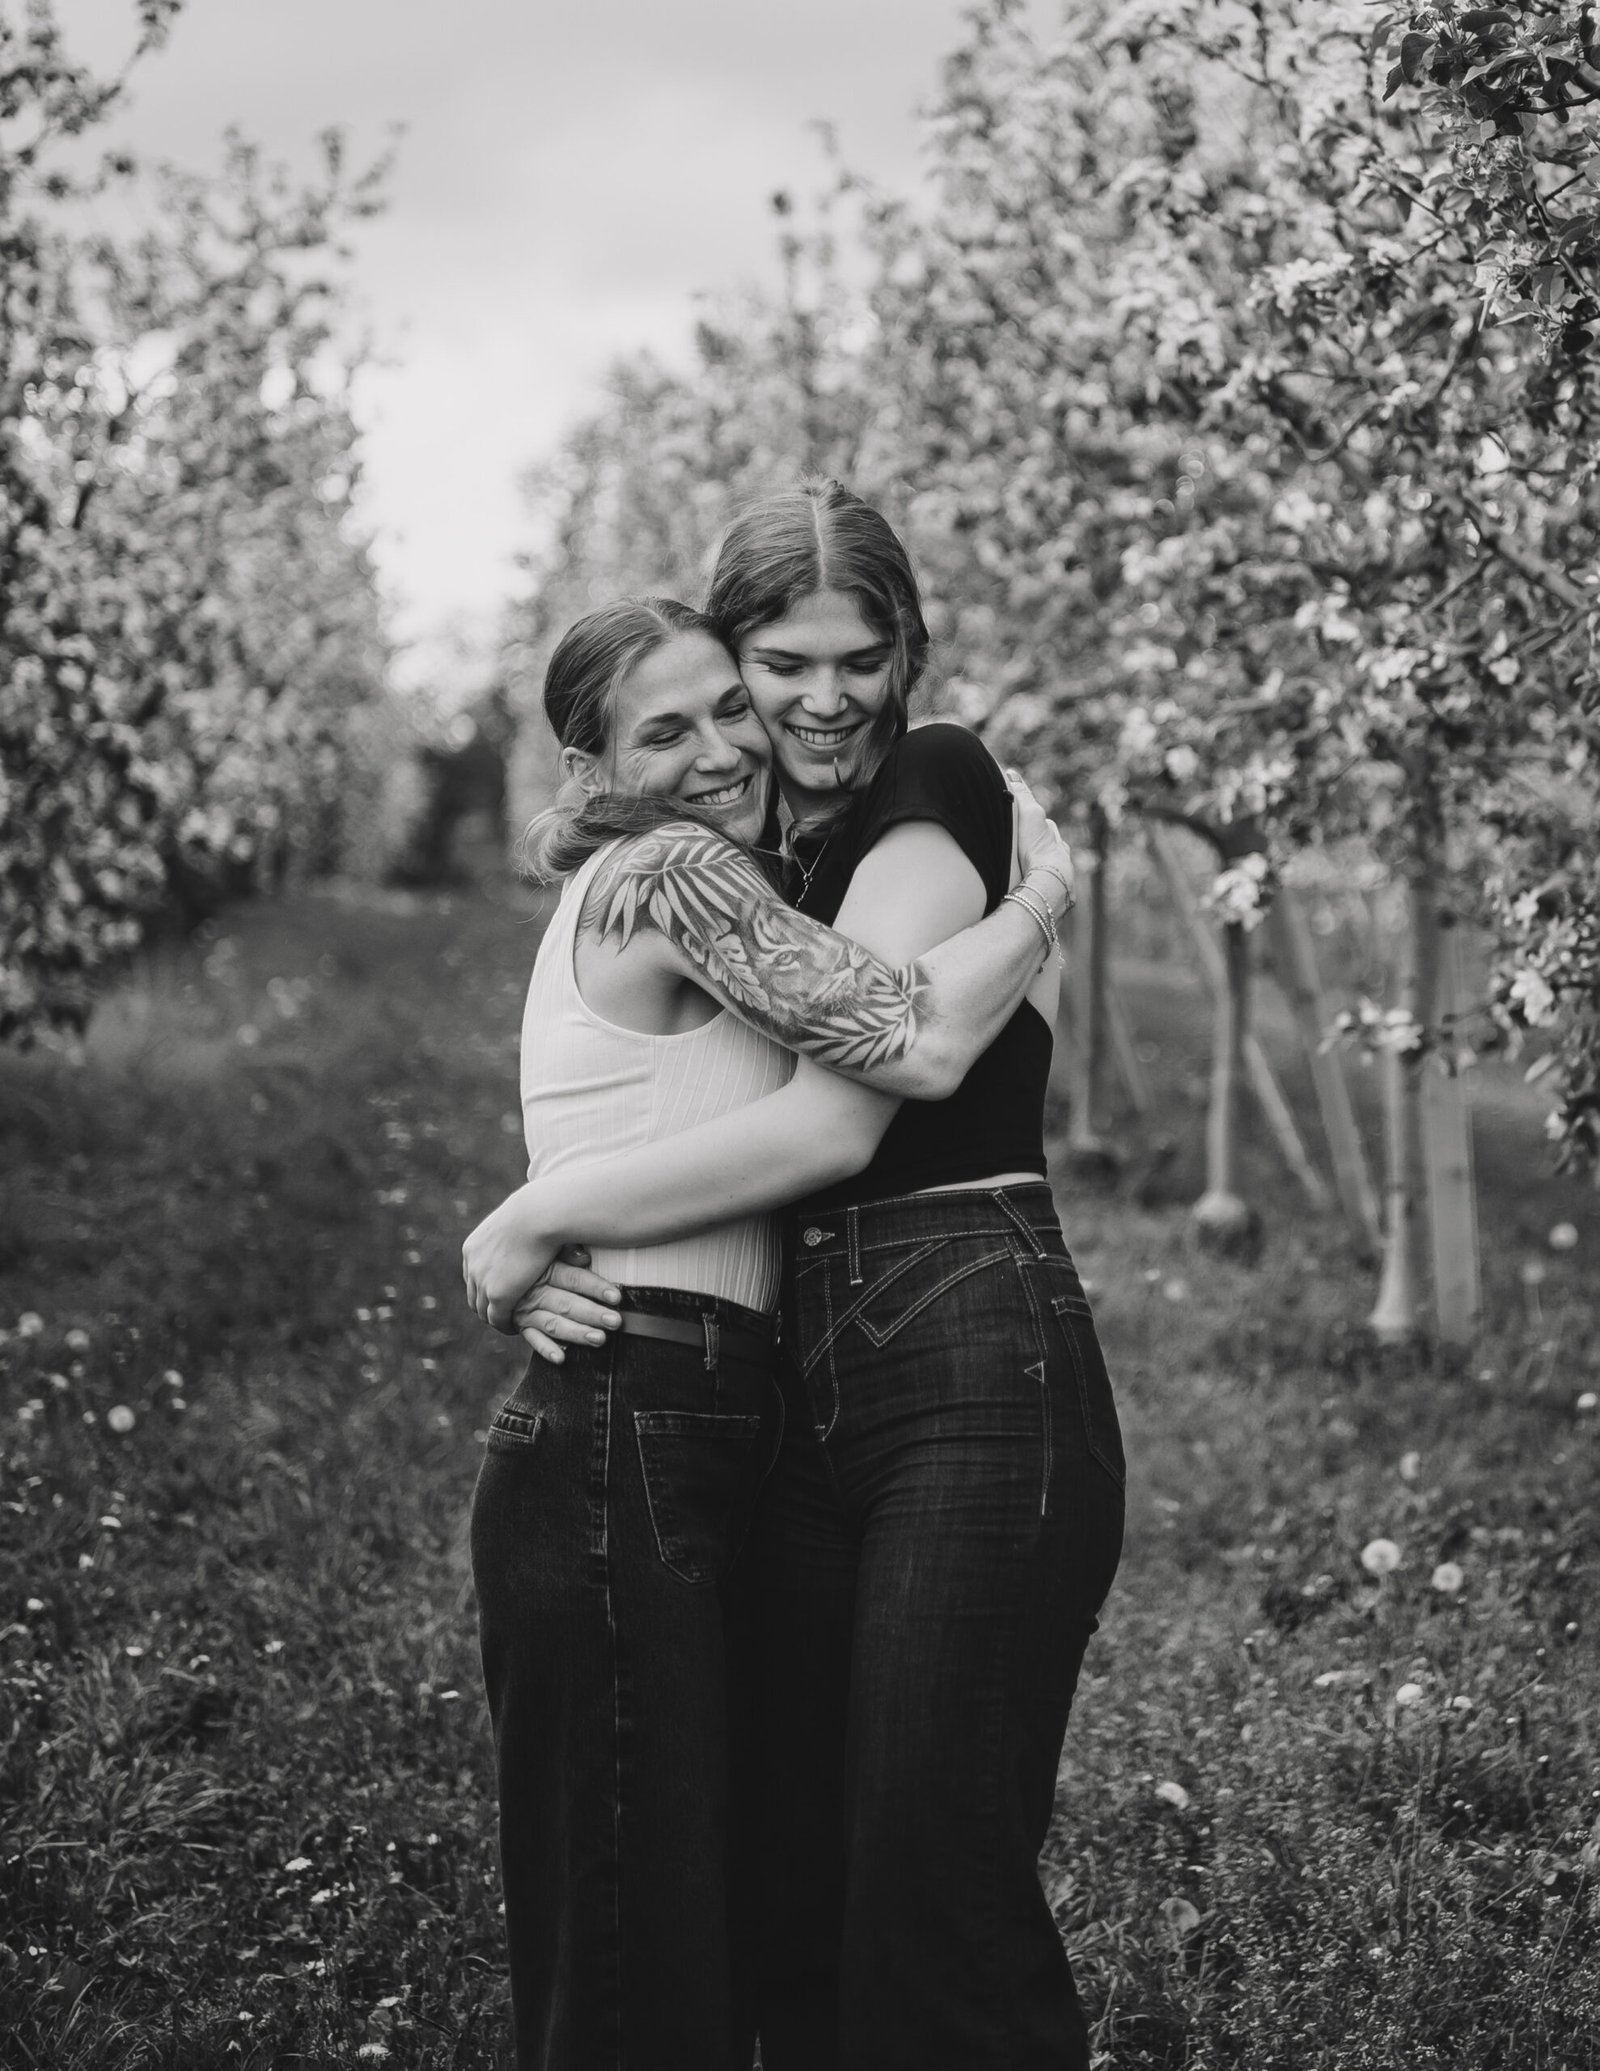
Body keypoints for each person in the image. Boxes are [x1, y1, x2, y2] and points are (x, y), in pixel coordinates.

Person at [467, 481, 1125, 2071]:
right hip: (749, 1384)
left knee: (905, 1886)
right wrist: (521, 1229)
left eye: (858, 657)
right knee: (753, 1896)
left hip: (937, 1333)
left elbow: (865, 1087)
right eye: (776, 665)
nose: (810, 705)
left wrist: (533, 1219)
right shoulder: (711, 872)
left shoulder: (933, 779)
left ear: (906, 652)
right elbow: (880, 1042)